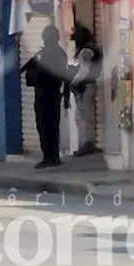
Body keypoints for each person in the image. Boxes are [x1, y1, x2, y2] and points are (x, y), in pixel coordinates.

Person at [21, 24, 68, 169]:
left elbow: (62, 74)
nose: (44, 39)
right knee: (45, 126)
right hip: (44, 93)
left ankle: (51, 157)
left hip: (49, 93)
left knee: (48, 126)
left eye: (46, 37)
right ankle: (50, 156)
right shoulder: (45, 52)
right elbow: (28, 66)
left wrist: (65, 95)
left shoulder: (56, 53)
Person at [68, 24, 103, 157]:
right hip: (89, 86)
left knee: (83, 117)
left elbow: (84, 70)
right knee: (82, 117)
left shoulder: (85, 52)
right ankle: (86, 143)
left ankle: (86, 144)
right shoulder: (92, 50)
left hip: (85, 87)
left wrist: (74, 81)